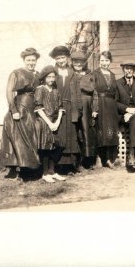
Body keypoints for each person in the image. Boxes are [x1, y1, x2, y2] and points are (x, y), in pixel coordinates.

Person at [2, 47, 41, 179]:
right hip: (20, 108)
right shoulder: (16, 73)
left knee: (31, 138)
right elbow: (9, 91)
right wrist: (14, 110)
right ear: (24, 60)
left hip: (32, 109)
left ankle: (30, 168)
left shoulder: (38, 75)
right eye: (28, 60)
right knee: (19, 139)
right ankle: (19, 169)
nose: (31, 62)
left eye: (33, 60)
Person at [49, 45, 82, 173]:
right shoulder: (52, 71)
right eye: (58, 58)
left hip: (70, 107)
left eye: (63, 57)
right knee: (59, 135)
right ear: (55, 59)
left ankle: (70, 166)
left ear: (67, 58)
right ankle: (57, 166)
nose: (61, 60)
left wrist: (78, 109)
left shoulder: (72, 72)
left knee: (70, 134)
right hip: (56, 107)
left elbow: (77, 92)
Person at [34, 65, 66, 183]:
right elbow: (39, 108)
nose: (51, 79)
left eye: (53, 77)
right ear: (44, 78)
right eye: (49, 77)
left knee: (57, 146)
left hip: (54, 122)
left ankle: (52, 171)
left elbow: (61, 108)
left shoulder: (56, 91)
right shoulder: (40, 89)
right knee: (46, 147)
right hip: (44, 121)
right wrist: (49, 123)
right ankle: (45, 173)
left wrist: (57, 122)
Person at [116, 61, 135, 172]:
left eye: (131, 68)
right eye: (126, 68)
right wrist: (126, 110)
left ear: (134, 70)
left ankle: (132, 155)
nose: (128, 71)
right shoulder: (118, 83)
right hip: (124, 115)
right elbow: (115, 102)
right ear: (123, 70)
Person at [92, 51, 119, 168]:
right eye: (102, 60)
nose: (104, 63)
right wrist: (94, 108)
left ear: (110, 61)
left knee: (110, 132)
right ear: (99, 61)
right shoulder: (94, 74)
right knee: (99, 131)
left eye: (107, 60)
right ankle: (98, 158)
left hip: (111, 106)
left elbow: (115, 92)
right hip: (100, 104)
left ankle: (108, 159)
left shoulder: (113, 75)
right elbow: (93, 92)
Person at [71, 51, 97, 169]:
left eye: (80, 62)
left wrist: (95, 109)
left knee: (87, 130)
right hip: (74, 104)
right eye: (76, 62)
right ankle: (75, 161)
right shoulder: (70, 75)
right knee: (75, 131)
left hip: (87, 103)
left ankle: (88, 160)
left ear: (83, 63)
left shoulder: (89, 75)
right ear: (72, 62)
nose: (78, 64)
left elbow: (94, 92)